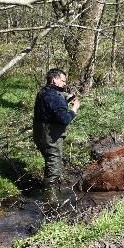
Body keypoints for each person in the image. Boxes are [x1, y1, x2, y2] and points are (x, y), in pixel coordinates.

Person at [33, 68, 80, 202]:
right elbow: (64, 119)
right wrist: (74, 110)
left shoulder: (43, 92)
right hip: (51, 138)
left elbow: (54, 103)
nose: (65, 84)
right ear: (55, 79)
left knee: (51, 164)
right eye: (63, 81)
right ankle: (51, 204)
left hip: (40, 135)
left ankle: (51, 193)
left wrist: (68, 98)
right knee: (54, 169)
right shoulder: (54, 97)